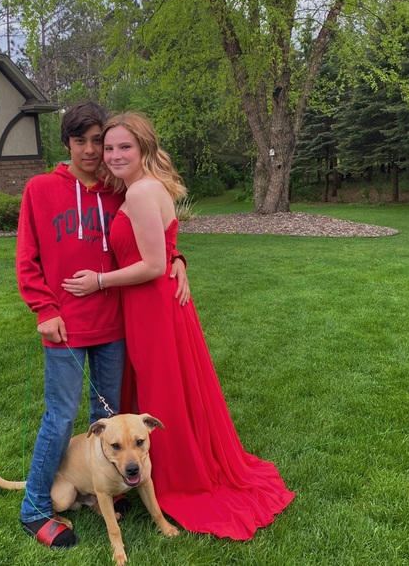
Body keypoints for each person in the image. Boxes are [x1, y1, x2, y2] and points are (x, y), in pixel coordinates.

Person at [62, 112, 295, 539]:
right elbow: (165, 249)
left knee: (164, 392)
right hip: (148, 304)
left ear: (145, 148)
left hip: (153, 306)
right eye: (109, 147)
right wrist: (178, 260)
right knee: (166, 388)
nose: (113, 155)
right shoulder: (137, 188)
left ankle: (177, 479)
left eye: (124, 147)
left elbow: (153, 264)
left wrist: (99, 281)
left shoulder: (143, 191)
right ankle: (156, 472)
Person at [15, 102, 189, 549]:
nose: (92, 150)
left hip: (115, 325)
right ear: (67, 143)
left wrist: (177, 258)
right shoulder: (39, 189)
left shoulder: (119, 190)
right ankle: (35, 508)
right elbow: (27, 258)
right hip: (64, 327)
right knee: (59, 418)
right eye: (82, 141)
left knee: (106, 419)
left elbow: (149, 238)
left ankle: (102, 491)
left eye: (99, 141)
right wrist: (44, 309)